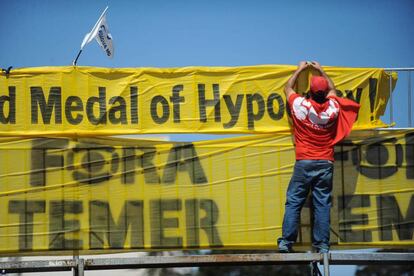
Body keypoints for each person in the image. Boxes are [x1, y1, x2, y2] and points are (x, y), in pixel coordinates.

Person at [277, 61, 360, 253]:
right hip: (325, 162)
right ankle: (322, 245)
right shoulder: (333, 108)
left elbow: (287, 88)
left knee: (294, 201)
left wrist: (300, 69)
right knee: (322, 204)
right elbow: (333, 89)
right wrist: (321, 70)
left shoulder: (300, 105)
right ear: (324, 94)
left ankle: (286, 242)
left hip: (304, 160)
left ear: (310, 93)